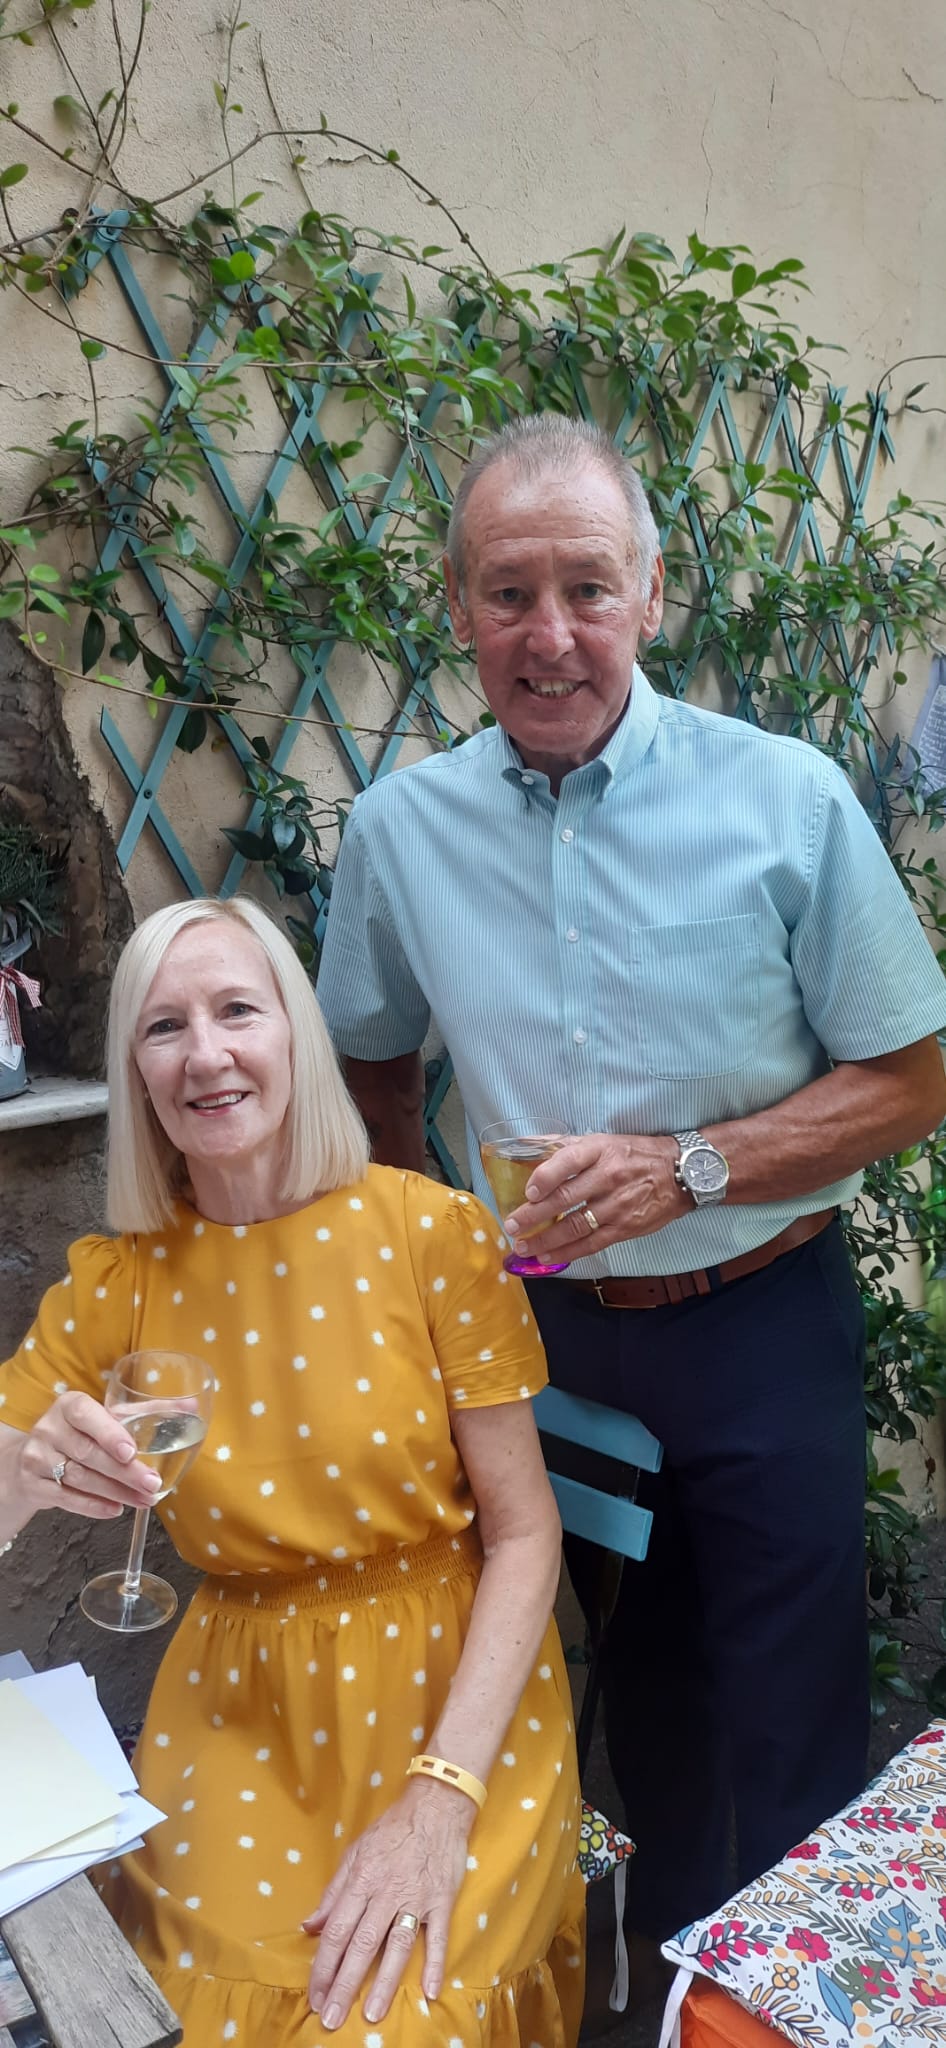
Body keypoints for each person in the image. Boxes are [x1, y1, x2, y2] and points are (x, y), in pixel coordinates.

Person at [316, 412, 946, 1945]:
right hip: (553, 1339)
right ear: (459, 607)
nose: (550, 636)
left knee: (793, 1725)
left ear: (650, 596)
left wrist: (691, 1165)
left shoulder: (785, 800)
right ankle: (672, 1993)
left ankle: (784, 2007)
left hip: (762, 1326)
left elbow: (914, 1077)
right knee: (646, 1709)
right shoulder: (400, 833)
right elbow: (370, 1063)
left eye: (586, 589)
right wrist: (423, 1268)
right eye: (508, 593)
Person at [0, 894, 585, 2046]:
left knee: (386, 2023)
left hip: (458, 1701)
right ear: (138, 1071)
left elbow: (526, 1534)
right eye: (164, 1026)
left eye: (236, 1009)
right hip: (238, 1705)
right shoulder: (120, 1275)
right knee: (182, 2007)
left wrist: (440, 1797)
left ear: (295, 1035)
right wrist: (29, 1468)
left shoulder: (432, 1233)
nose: (205, 1053)